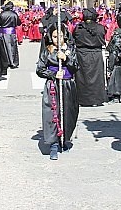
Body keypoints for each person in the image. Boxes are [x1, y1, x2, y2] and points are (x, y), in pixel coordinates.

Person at [36, 24, 79, 160]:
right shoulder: (47, 51)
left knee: (68, 113)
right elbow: (40, 69)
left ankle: (64, 139)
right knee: (52, 114)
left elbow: (76, 67)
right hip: (53, 86)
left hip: (68, 85)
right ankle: (53, 143)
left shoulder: (70, 49)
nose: (57, 39)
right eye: (55, 36)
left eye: (60, 36)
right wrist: (53, 75)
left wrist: (66, 59)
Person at [72, 7, 107, 107]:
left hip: (82, 54)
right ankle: (96, 99)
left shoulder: (78, 28)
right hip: (95, 54)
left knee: (83, 77)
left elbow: (73, 38)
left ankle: (83, 99)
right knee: (96, 77)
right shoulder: (100, 28)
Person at [0, 1, 22, 70]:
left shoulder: (2, 14)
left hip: (4, 32)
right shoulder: (14, 14)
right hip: (12, 32)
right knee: (13, 47)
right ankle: (13, 62)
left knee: (5, 47)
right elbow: (19, 22)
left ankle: (6, 62)